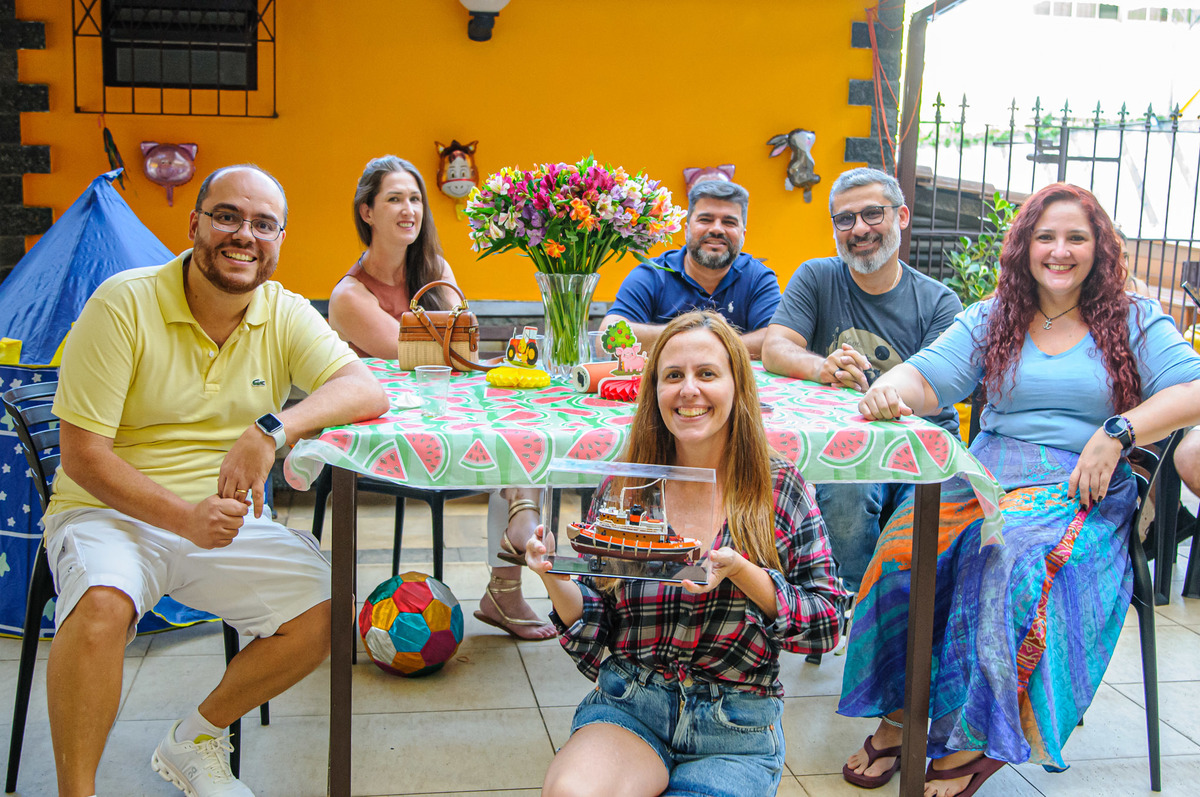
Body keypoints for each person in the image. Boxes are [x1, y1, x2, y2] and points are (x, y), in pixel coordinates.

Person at [839, 183, 1200, 797]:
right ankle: (903, 714)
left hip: (1081, 480)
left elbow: (1192, 389)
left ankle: (980, 735)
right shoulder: (993, 315)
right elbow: (928, 376)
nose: (1060, 251)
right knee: (903, 551)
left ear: (1101, 248)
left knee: (1011, 559)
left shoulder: (1136, 318)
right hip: (985, 470)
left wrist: (1119, 430)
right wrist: (889, 389)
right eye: (1046, 237)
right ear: (1025, 246)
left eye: (1076, 238)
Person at [42, 164, 390, 797]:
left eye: (263, 224)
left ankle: (196, 737)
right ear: (195, 222)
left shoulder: (281, 311)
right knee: (101, 608)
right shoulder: (124, 302)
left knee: (330, 613)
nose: (244, 236)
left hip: (223, 520)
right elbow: (82, 458)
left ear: (280, 239)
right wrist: (182, 519)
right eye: (228, 216)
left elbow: (365, 389)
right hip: (107, 511)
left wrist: (270, 430)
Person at [525, 311, 845, 796]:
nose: (688, 390)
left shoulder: (779, 489)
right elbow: (595, 628)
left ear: (738, 388)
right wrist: (553, 577)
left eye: (707, 374)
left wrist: (743, 572)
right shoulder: (625, 486)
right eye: (672, 375)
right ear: (653, 392)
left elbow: (826, 625)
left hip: (736, 726)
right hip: (632, 703)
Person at [327, 155, 553, 640]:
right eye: (394, 199)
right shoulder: (350, 296)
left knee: (528, 433)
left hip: (450, 413)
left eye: (414, 199)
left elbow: (462, 351)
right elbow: (419, 355)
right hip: (389, 432)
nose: (409, 209)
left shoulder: (436, 269)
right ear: (367, 211)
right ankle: (520, 538)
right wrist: (453, 345)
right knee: (515, 455)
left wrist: (455, 348)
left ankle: (509, 568)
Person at [761, 167, 963, 595]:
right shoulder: (817, 277)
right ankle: (851, 605)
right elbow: (774, 347)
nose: (859, 229)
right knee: (847, 493)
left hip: (918, 448)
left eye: (873, 214)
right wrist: (821, 367)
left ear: (902, 217)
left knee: (918, 540)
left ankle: (889, 615)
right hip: (840, 444)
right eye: (845, 219)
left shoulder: (938, 301)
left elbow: (938, 390)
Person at [599, 180, 780, 358]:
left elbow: (777, 341)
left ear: (743, 235)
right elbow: (605, 340)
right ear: (686, 229)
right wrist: (692, 330)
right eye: (705, 219)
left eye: (729, 222)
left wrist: (703, 344)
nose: (717, 229)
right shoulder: (652, 275)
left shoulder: (759, 279)